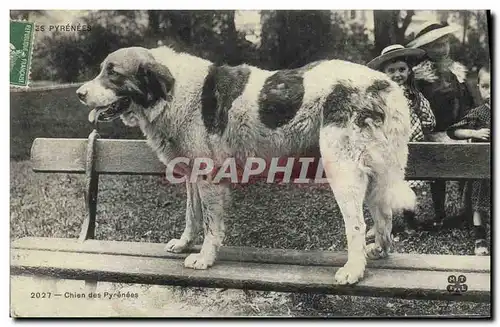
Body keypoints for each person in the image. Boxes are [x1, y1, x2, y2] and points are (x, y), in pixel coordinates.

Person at [407, 21, 475, 229]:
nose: (442, 49)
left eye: (445, 44)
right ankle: (439, 213)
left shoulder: (455, 72)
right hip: (431, 130)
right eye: (436, 45)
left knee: (468, 166)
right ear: (426, 49)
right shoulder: (418, 76)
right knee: (437, 174)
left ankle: (468, 211)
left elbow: (465, 100)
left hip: (454, 128)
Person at [367, 44, 436, 234]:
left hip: (409, 147)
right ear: (383, 73)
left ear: (409, 71)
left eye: (401, 70)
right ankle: (380, 223)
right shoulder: (379, 97)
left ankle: (409, 221)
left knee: (408, 183)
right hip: (387, 146)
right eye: (391, 71)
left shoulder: (415, 96)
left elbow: (429, 120)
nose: (397, 75)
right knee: (382, 184)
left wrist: (423, 123)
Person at [447, 65, 491, 255]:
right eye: (486, 86)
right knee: (479, 201)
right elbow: (454, 131)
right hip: (482, 169)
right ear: (479, 87)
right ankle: (480, 237)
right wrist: (474, 132)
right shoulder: (479, 113)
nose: (491, 91)